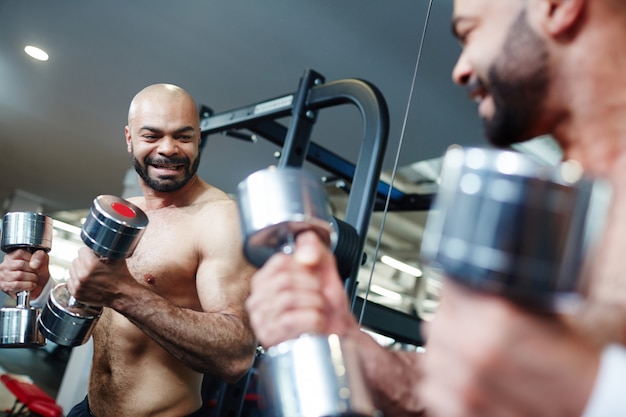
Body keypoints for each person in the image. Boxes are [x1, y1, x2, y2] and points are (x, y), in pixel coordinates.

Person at [246, 0, 626, 415]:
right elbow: (463, 389)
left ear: (558, 7)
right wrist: (344, 337)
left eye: (469, 32)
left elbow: (548, 386)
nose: (460, 69)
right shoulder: (578, 202)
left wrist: (581, 393)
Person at [0, 83, 258, 417]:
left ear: (198, 137)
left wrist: (122, 291)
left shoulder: (220, 219)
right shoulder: (122, 211)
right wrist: (42, 288)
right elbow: (87, 318)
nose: (169, 149)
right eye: (152, 136)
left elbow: (236, 355)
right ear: (129, 138)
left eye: (184, 136)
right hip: (91, 408)